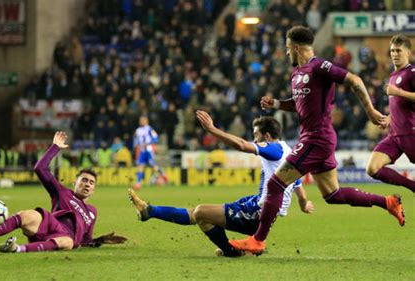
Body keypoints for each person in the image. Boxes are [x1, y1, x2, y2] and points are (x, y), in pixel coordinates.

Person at [229, 26, 405, 255]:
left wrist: (370, 111)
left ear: (296, 47)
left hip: (316, 138)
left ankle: (258, 240)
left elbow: (355, 80)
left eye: (287, 48)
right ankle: (388, 202)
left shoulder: (319, 66)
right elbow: (298, 103)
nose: (286, 53)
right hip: (316, 138)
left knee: (275, 184)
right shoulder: (296, 74)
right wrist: (276, 104)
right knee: (333, 195)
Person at [129, 114, 314, 257]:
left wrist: (212, 129)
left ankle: (230, 250)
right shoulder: (288, 152)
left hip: (257, 213)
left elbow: (242, 145)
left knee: (201, 213)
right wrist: (304, 204)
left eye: (256, 135)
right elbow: (298, 186)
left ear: (267, 135)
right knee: (199, 214)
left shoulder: (274, 149)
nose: (254, 139)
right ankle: (149, 211)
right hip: (255, 204)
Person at [0, 131, 127, 253]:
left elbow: (86, 240)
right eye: (84, 180)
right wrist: (55, 147)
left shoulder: (92, 212)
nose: (87, 184)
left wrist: (101, 240)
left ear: (93, 189)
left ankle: (16, 249)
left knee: (68, 242)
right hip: (50, 224)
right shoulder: (62, 191)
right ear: (74, 182)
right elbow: (40, 168)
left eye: (91, 183)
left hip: (66, 238)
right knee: (27, 215)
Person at [366, 34, 415, 192]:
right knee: (372, 168)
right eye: (392, 51)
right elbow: (401, 106)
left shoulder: (412, 72)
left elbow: (403, 96)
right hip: (394, 135)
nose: (394, 54)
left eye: (398, 51)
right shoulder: (393, 75)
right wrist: (390, 118)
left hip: (411, 133)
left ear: (408, 53)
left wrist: (399, 92)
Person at [133, 116, 168, 189]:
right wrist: (136, 146)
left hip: (148, 150)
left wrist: (148, 143)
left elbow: (156, 138)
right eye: (141, 120)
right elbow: (136, 140)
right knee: (140, 166)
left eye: (143, 120)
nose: (141, 121)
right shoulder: (138, 130)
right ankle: (138, 184)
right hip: (142, 151)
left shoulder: (149, 129)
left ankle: (163, 174)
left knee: (153, 166)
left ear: (147, 121)